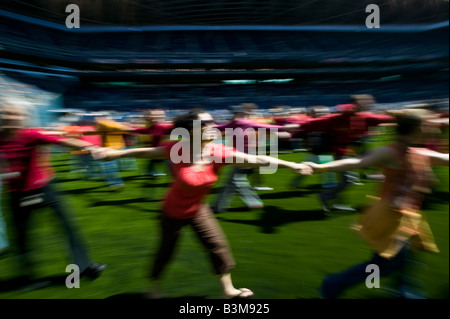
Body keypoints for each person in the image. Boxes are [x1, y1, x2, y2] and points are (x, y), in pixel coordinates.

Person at [91, 109, 311, 299]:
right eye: (206, 123)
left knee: (217, 247)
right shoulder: (176, 150)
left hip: (198, 209)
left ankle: (228, 290)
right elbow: (145, 152)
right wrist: (113, 154)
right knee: (166, 251)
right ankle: (153, 289)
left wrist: (292, 164)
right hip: (172, 211)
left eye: (213, 121)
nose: (213, 126)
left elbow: (259, 160)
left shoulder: (219, 152)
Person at [303, 110, 449, 299]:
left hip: (407, 216)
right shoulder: (391, 152)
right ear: (415, 129)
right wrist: (319, 167)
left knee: (407, 255)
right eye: (428, 124)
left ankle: (402, 287)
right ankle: (333, 284)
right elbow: (357, 162)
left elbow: (447, 159)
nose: (434, 128)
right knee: (384, 264)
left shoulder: (419, 152)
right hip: (390, 218)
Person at [0, 100, 106, 280]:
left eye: (15, 114)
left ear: (23, 118)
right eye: (7, 114)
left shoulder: (31, 134)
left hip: (43, 188)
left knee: (68, 228)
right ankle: (27, 276)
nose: (11, 117)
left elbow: (62, 141)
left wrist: (90, 146)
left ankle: (84, 266)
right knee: (22, 237)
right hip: (16, 194)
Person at [295, 94, 395, 212]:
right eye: (365, 103)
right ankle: (326, 196)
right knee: (348, 180)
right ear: (356, 104)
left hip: (349, 153)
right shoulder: (341, 118)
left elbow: (382, 119)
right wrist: (294, 126)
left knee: (347, 179)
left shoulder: (360, 117)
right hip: (342, 153)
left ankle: (338, 203)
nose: (368, 104)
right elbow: (315, 122)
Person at [212, 105, 287, 213]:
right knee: (237, 181)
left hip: (243, 157)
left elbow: (219, 128)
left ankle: (218, 207)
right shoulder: (241, 123)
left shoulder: (239, 123)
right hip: (246, 156)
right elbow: (264, 127)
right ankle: (254, 203)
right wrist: (284, 128)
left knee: (232, 182)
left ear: (237, 114)